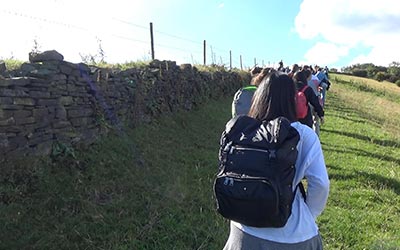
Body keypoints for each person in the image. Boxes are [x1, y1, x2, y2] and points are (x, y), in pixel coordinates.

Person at [223, 72, 330, 250]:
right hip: (293, 235)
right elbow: (320, 184)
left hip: (242, 230)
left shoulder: (240, 128)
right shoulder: (303, 134)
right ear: (292, 99)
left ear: (258, 96)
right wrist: (308, 214)